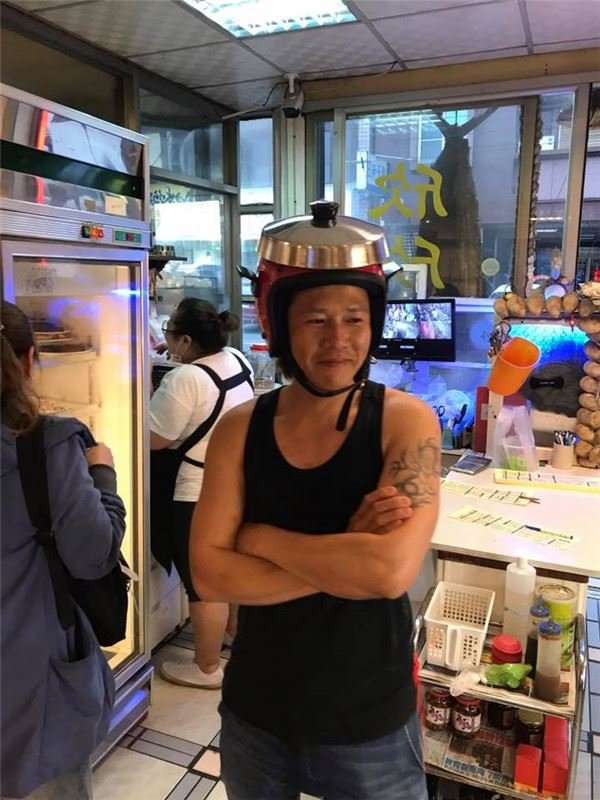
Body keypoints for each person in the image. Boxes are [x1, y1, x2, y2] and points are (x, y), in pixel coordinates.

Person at [189, 212, 441, 799]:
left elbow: (387, 573)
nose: (338, 339)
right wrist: (346, 546)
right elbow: (209, 574)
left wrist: (258, 539)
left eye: (355, 318)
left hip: (368, 721)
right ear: (279, 325)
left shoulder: (405, 422)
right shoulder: (239, 429)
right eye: (316, 319)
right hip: (256, 713)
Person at [0, 301, 126, 800]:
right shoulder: (46, 444)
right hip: (30, 682)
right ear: (30, 361)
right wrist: (103, 474)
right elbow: (92, 555)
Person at [150, 298, 254, 689]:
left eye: (169, 333)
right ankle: (233, 634)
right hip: (236, 483)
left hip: (196, 492)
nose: (167, 340)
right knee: (229, 571)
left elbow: (155, 439)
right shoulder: (236, 360)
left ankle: (207, 668)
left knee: (203, 581)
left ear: (185, 341)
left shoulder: (186, 379)